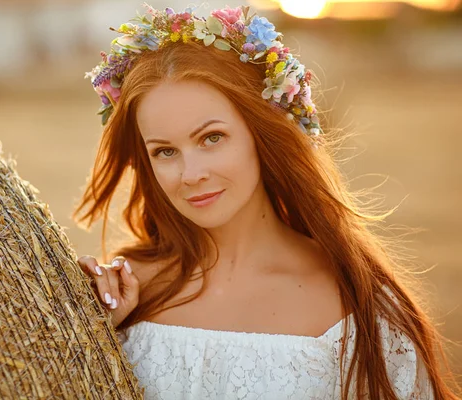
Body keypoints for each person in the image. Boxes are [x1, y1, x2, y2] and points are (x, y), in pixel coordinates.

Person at [74, 4, 460, 399]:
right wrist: (91, 337)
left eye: (212, 138)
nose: (190, 174)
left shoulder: (356, 304)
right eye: (165, 151)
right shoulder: (128, 290)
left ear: (262, 134)